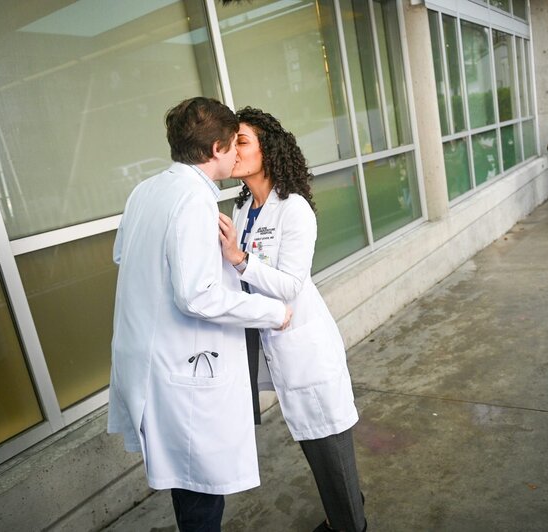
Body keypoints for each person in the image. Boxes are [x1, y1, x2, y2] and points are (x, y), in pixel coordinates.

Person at [108, 97, 292, 532]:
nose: (236, 154)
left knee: (188, 483)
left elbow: (123, 255)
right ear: (215, 150)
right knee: (201, 492)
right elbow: (198, 296)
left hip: (153, 360)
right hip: (182, 368)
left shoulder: (146, 190)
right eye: (233, 145)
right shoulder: (193, 201)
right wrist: (272, 311)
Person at [218, 107, 366, 532]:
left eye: (242, 141)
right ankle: (345, 514)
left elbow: (289, 285)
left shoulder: (294, 209)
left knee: (330, 449)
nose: (234, 151)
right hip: (273, 343)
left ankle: (351, 524)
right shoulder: (243, 207)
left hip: (306, 350)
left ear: (270, 149)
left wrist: (239, 259)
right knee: (315, 449)